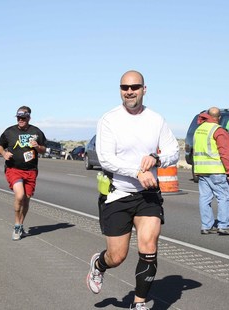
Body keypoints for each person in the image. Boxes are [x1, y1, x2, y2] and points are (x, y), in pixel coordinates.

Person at [86, 70, 179, 310]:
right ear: (120, 90)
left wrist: (156, 160)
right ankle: (99, 265)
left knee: (149, 246)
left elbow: (173, 151)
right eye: (125, 87)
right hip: (118, 193)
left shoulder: (156, 119)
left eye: (135, 87)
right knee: (117, 256)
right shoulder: (109, 120)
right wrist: (137, 171)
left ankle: (139, 303)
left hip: (147, 195)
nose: (129, 91)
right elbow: (106, 159)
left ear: (144, 89)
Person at [0, 106, 46, 241]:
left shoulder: (36, 132)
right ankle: (16, 225)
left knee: (26, 200)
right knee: (20, 196)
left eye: (23, 118)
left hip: (31, 171)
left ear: (29, 118)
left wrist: (37, 147)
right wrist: (3, 153)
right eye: (18, 118)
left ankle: (20, 225)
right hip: (14, 169)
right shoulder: (9, 131)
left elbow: (43, 149)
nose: (20, 120)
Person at [193, 107, 229, 235]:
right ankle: (224, 225)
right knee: (225, 197)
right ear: (219, 117)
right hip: (217, 170)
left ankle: (206, 226)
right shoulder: (219, 131)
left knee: (205, 198)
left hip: (202, 170)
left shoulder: (199, 130)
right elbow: (226, 153)